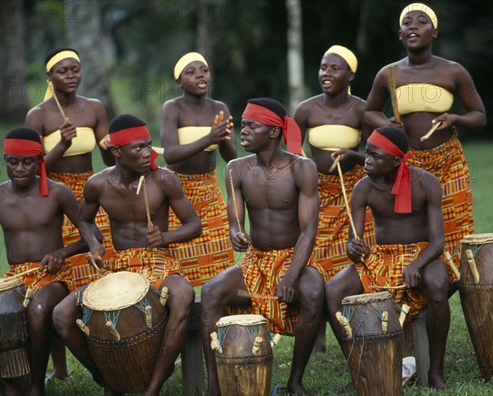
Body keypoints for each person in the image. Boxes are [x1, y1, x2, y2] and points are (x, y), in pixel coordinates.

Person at [52, 114, 202, 396]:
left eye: (149, 146)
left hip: (158, 262)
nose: (148, 153)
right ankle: (109, 379)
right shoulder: (98, 185)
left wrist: (165, 237)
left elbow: (195, 225)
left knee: (183, 296)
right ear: (116, 151)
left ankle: (154, 386)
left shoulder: (164, 180)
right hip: (118, 267)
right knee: (62, 314)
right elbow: (84, 220)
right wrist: (94, 244)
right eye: (139, 148)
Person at [0, 128, 95, 396]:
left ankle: (35, 386)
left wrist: (62, 253)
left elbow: (92, 235)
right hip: (16, 277)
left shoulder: (57, 193)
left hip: (55, 276)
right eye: (12, 162)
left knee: (38, 308)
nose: (19, 168)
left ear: (40, 160)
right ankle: (6, 383)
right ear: (5, 160)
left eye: (27, 162)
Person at [201, 98, 328, 396]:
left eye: (250, 126)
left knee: (312, 291)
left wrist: (290, 276)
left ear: (273, 132)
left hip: (293, 258)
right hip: (256, 262)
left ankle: (295, 380)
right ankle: (215, 386)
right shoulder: (235, 168)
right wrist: (236, 233)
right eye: (242, 125)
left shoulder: (302, 168)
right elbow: (236, 220)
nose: (242, 131)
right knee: (210, 291)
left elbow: (309, 230)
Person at [364, 3, 486, 280]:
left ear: (435, 31)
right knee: (409, 228)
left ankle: (453, 283)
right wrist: (387, 124)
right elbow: (369, 111)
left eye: (422, 22)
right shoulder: (389, 74)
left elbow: (479, 115)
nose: (414, 27)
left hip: (448, 161)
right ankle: (411, 286)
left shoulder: (453, 71)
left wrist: (455, 119)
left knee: (456, 228)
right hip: (407, 163)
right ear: (399, 34)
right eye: (407, 22)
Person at [325, 126, 449, 390]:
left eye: (374, 156)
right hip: (381, 257)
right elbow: (353, 242)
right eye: (366, 153)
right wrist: (354, 249)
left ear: (395, 160)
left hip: (421, 254)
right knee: (333, 290)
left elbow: (438, 241)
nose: (366, 160)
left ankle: (436, 371)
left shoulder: (426, 182)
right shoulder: (362, 188)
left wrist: (416, 264)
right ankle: (359, 370)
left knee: (439, 286)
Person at [25, 48, 115, 379]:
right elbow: (31, 171)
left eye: (75, 69)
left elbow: (108, 162)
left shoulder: (94, 108)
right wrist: (60, 145)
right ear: (49, 77)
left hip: (91, 195)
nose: (71, 75)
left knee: (100, 268)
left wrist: (110, 148)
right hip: (54, 199)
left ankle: (114, 351)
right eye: (63, 71)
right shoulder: (38, 116)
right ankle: (59, 367)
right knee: (59, 275)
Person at [294, 44, 375, 278]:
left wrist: (353, 156)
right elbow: (290, 150)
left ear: (350, 76)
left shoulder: (362, 110)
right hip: (316, 191)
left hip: (354, 190)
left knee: (359, 247)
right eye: (322, 68)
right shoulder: (304, 109)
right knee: (317, 251)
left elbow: (375, 155)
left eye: (335, 68)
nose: (326, 73)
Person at [159, 52, 236, 286]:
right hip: (176, 191)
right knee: (179, 261)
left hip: (209, 190)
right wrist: (209, 137)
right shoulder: (172, 109)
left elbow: (231, 156)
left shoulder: (219, 107)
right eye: (190, 72)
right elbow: (170, 154)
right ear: (179, 82)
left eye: (203, 70)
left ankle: (218, 314)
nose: (199, 75)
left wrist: (222, 137)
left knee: (220, 255)